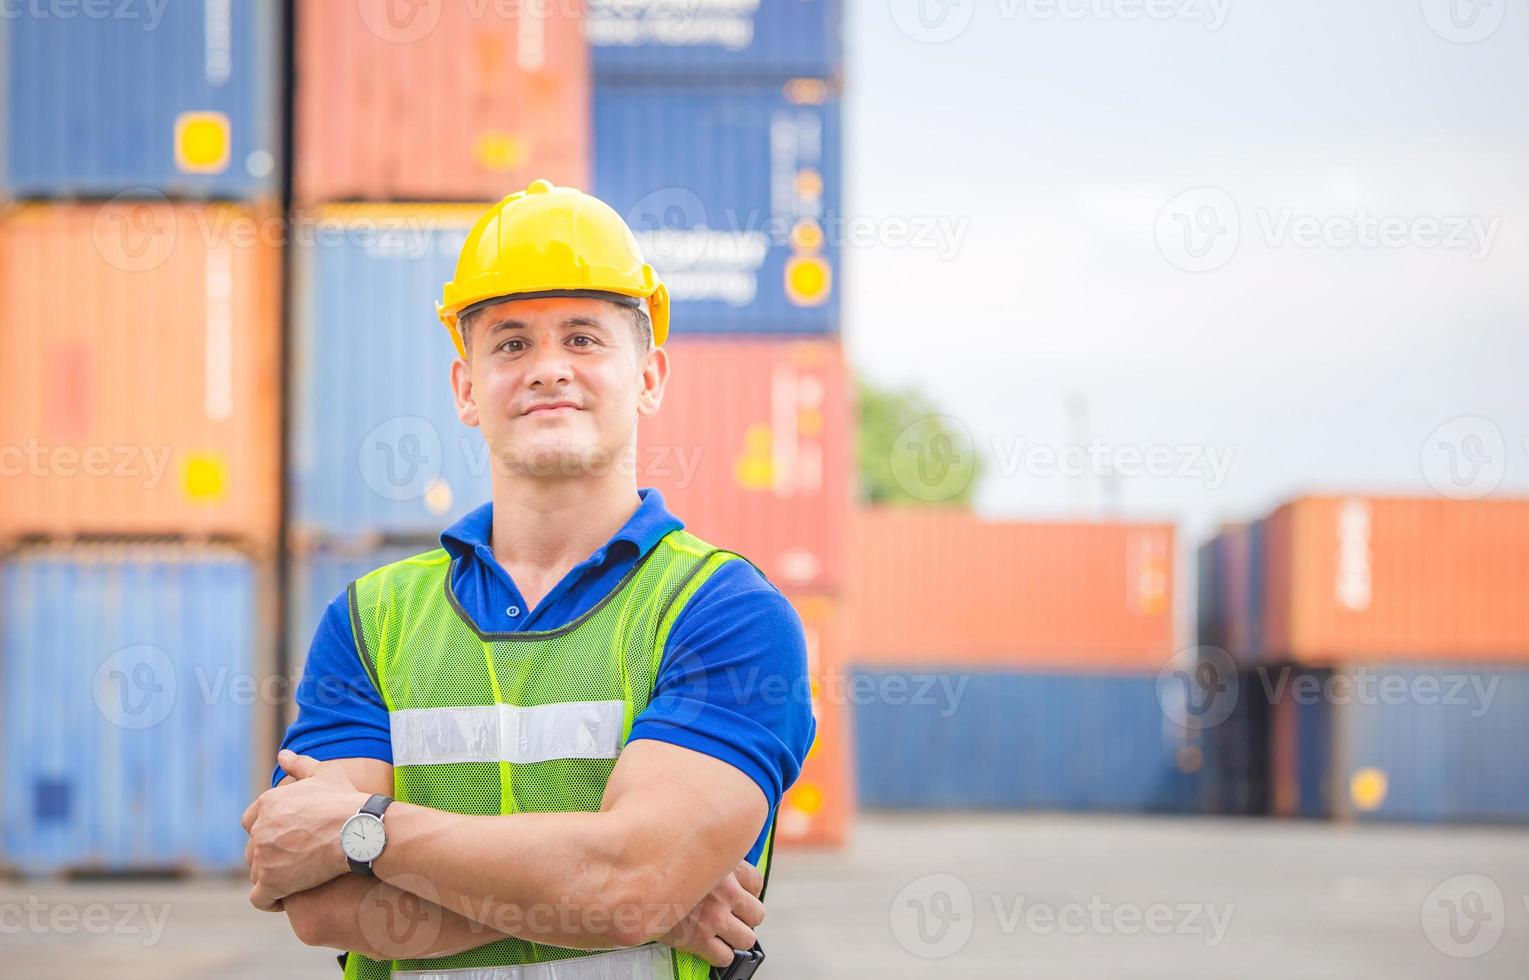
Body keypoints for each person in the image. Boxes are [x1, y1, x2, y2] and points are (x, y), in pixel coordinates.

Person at [242, 179, 816, 980]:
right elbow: (319, 905)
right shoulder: (371, 619)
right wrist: (608, 895)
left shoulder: (723, 613)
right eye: (510, 344)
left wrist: (361, 831)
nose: (548, 369)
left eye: (583, 338)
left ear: (648, 377)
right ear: (465, 388)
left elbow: (626, 887)